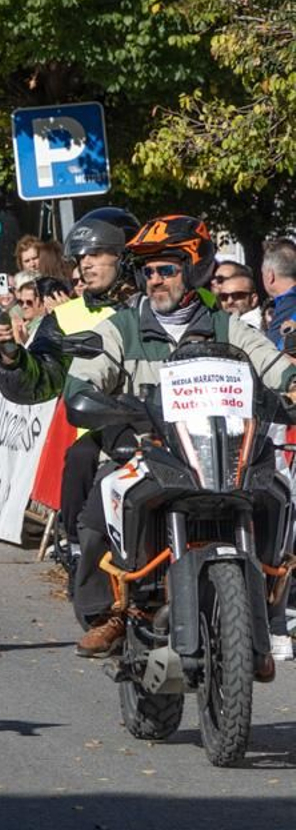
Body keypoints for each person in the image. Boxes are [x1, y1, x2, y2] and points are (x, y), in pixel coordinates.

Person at [66, 215, 294, 681]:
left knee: (280, 492)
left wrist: (291, 385)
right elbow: (83, 380)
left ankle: (268, 608)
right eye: (148, 271)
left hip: (227, 455)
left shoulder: (227, 328)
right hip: (147, 453)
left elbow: (275, 366)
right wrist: (96, 401)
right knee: (99, 506)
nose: (155, 280)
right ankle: (115, 611)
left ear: (192, 272)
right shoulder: (120, 328)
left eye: (166, 269)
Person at [0, 207, 138, 655]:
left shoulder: (169, 303)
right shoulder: (67, 316)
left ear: (127, 256)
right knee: (86, 497)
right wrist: (14, 357)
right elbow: (41, 378)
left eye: (98, 254)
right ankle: (102, 609)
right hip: (105, 438)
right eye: (79, 258)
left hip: (183, 430)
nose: (85, 265)